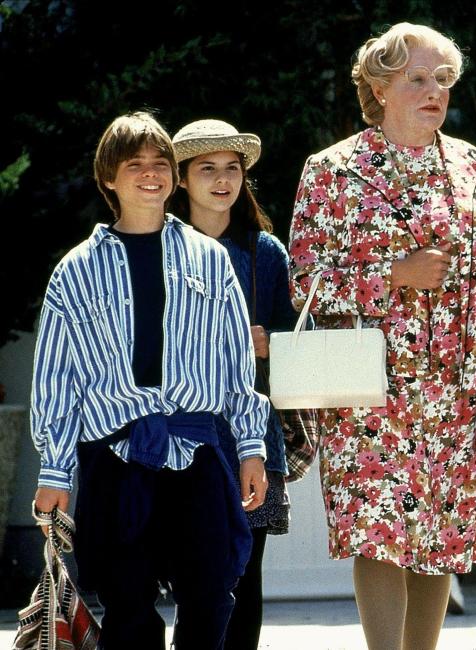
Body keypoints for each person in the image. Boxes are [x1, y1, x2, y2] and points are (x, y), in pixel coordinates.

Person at [287, 22, 476, 650]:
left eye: (444, 80)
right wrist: (391, 275)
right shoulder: (333, 171)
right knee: (376, 535)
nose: (435, 92)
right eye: (418, 79)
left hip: (461, 391)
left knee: (442, 541)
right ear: (380, 86)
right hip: (368, 393)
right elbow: (304, 279)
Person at [30, 112, 269, 649]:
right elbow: (56, 378)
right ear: (108, 178)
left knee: (211, 594)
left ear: (173, 174)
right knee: (126, 601)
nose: (149, 174)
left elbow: (236, 365)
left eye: (160, 163)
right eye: (133, 164)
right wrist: (55, 470)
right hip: (115, 454)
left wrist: (250, 448)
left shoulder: (210, 260)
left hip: (199, 450)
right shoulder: (76, 269)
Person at [171, 119, 295, 650]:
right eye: (207, 169)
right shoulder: (159, 247)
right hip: (178, 436)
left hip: (252, 439)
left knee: (247, 576)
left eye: (232, 169)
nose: (223, 180)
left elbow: (298, 339)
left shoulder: (265, 252)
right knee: (190, 577)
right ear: (180, 179)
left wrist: (271, 344)